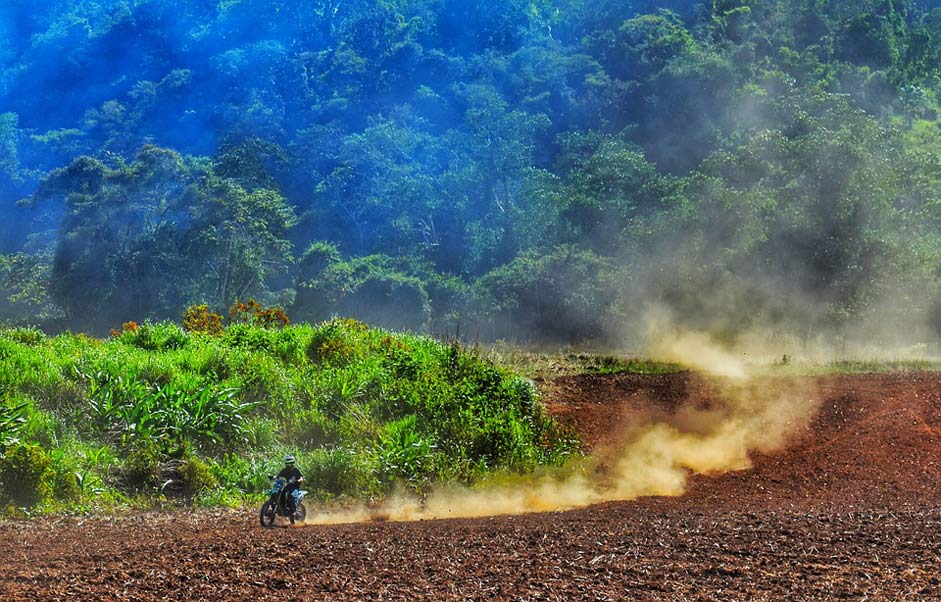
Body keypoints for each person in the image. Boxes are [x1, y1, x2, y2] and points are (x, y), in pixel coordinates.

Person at [276, 454, 303, 523]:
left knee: (292, 496)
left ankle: (293, 513)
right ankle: (281, 508)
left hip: (294, 487)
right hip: (286, 487)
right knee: (279, 493)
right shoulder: (284, 470)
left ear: (293, 463)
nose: (288, 465)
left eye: (290, 463)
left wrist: (298, 480)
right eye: (287, 463)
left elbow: (301, 478)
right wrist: (274, 477)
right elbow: (279, 475)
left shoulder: (296, 470)